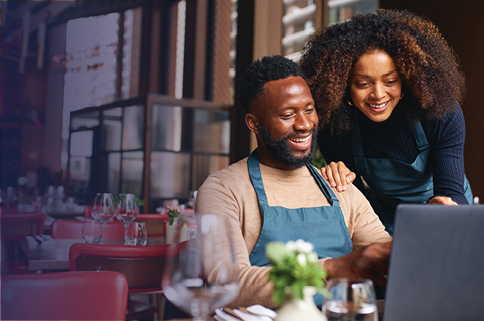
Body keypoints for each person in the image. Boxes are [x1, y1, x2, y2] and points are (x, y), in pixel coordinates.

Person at [195, 55, 391, 309]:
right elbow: (226, 281)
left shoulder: (338, 184)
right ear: (254, 123)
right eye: (288, 115)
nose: (305, 124)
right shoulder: (224, 189)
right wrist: (332, 268)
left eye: (309, 109)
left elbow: (384, 256)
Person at [299, 9, 473, 235]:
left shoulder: (439, 113)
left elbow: (452, 191)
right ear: (342, 86)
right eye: (363, 84)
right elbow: (357, 204)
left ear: (406, 79)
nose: (378, 94)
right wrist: (337, 178)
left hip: (446, 214)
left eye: (390, 80)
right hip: (387, 220)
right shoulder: (336, 127)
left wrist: (444, 207)